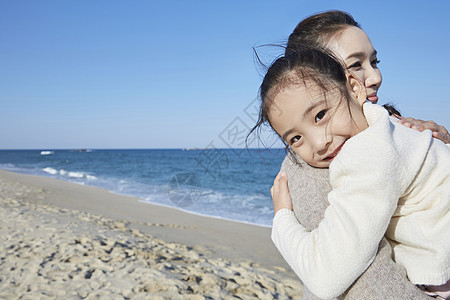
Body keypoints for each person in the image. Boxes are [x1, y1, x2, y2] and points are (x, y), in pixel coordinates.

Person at [260, 10, 449, 300]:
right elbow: (336, 276)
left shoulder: (378, 135)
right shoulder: (318, 167)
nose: (375, 77)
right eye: (355, 64)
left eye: (373, 61)